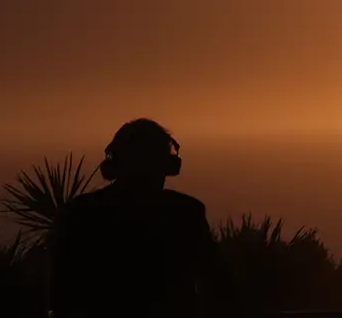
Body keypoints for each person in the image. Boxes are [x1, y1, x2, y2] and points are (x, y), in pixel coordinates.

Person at [51, 119, 233, 318]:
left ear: (114, 164)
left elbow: (59, 293)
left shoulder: (79, 212)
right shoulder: (186, 212)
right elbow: (216, 281)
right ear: (167, 165)